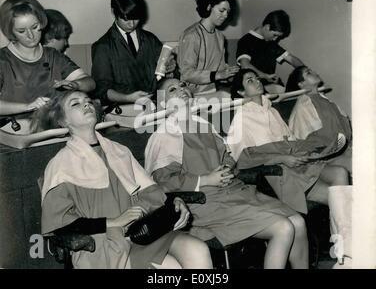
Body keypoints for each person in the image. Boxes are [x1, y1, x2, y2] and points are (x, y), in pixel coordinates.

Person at [145, 78, 309, 269]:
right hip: (203, 204)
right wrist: (206, 179)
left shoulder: (203, 124)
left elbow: (228, 157)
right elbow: (164, 183)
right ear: (163, 103)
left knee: (298, 222)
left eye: (182, 85)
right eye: (172, 89)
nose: (182, 89)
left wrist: (227, 168)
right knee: (284, 228)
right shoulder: (165, 135)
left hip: (234, 194)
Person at [39, 89, 212, 269]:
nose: (86, 104)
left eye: (88, 100)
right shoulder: (60, 164)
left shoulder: (119, 151)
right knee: (171, 268)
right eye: (75, 103)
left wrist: (173, 203)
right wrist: (113, 222)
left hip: (141, 233)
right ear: (62, 121)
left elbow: (152, 193)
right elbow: (60, 224)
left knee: (197, 250)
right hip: (103, 245)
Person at [226, 69, 350, 214]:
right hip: (282, 173)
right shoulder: (241, 118)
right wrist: (281, 158)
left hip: (298, 164)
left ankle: (342, 233)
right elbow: (241, 159)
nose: (257, 81)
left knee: (340, 173)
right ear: (241, 92)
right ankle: (343, 234)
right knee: (341, 199)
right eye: (250, 80)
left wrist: (313, 151)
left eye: (257, 78)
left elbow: (291, 141)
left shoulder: (272, 111)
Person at [0, 0, 95, 117]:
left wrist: (75, 84)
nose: (30, 35)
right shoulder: (3, 60)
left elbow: (90, 83)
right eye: (21, 31)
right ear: (10, 31)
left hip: (53, 128)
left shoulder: (53, 55)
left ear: (41, 22)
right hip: (15, 130)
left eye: (35, 27)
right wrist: (27, 107)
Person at [91, 0, 176, 107]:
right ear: (113, 12)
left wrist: (170, 68)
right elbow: (101, 90)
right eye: (126, 19)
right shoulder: (103, 47)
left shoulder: (150, 40)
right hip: (121, 110)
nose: (131, 24)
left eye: (136, 18)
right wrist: (127, 98)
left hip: (154, 106)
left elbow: (163, 76)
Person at [177, 0, 239, 97]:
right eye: (222, 10)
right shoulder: (191, 35)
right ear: (209, 6)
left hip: (212, 93)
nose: (226, 15)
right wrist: (219, 75)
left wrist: (231, 74)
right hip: (189, 95)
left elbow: (220, 69)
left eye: (228, 11)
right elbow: (186, 73)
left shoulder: (220, 37)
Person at [286, 66, 352, 173]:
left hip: (342, 149)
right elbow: (304, 139)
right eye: (308, 73)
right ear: (301, 84)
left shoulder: (325, 100)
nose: (315, 72)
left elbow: (343, 124)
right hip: (325, 156)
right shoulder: (303, 105)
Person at [236, 10, 304, 94]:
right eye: (275, 35)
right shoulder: (246, 40)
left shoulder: (270, 43)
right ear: (267, 27)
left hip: (268, 85)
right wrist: (264, 76)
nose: (275, 39)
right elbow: (245, 65)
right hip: (251, 88)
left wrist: (304, 73)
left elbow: (292, 59)